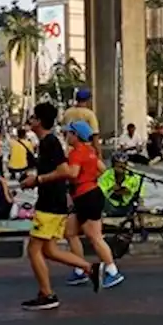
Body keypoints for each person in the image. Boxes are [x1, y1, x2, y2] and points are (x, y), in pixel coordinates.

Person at [18, 102, 100, 310]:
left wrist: (37, 181)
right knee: (50, 250)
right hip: (54, 202)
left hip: (50, 204)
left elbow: (64, 171)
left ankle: (47, 294)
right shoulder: (48, 142)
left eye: (32, 117)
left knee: (33, 249)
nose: (29, 121)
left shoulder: (50, 142)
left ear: (38, 121)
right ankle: (88, 268)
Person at [62, 120, 124, 289]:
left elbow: (73, 173)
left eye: (69, 133)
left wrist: (60, 172)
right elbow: (103, 170)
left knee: (95, 237)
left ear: (76, 135)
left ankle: (112, 271)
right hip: (90, 194)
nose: (66, 136)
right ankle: (80, 269)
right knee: (70, 232)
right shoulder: (90, 151)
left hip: (86, 196)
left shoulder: (75, 153)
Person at [60, 87, 102, 154]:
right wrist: (99, 154)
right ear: (88, 100)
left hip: (71, 150)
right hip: (86, 150)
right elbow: (95, 136)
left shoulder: (67, 113)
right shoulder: (90, 114)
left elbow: (63, 131)